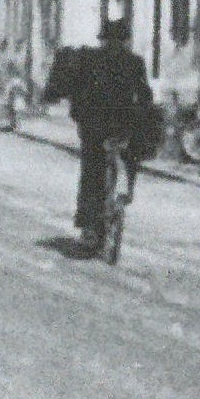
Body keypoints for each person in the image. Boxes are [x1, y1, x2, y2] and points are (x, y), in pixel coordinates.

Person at [41, 18, 155, 253]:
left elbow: (78, 91)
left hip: (94, 129)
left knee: (91, 174)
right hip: (124, 128)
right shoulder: (135, 62)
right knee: (129, 160)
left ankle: (89, 227)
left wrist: (78, 115)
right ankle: (124, 196)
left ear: (102, 38)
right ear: (126, 39)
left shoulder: (90, 59)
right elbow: (145, 97)